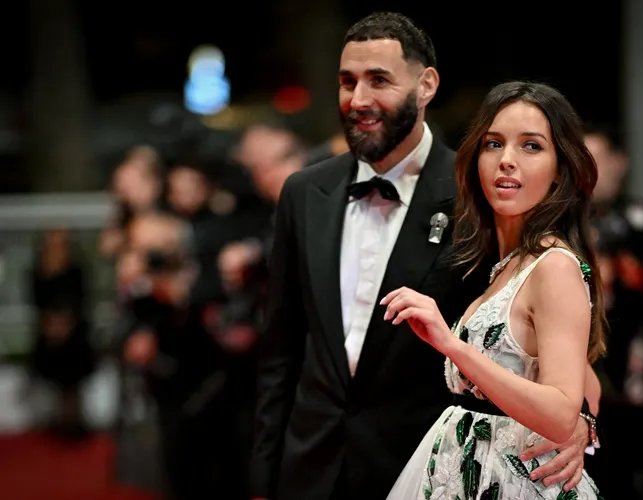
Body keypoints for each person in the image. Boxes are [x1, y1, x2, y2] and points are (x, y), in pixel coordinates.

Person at [250, 13, 598, 500]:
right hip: (309, 468)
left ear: (426, 84)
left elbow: (552, 343)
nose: (359, 99)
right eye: (347, 82)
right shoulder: (304, 192)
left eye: (379, 80)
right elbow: (280, 350)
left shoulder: (481, 195)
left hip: (427, 468)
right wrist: (264, 477)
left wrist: (579, 422)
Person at [383, 81, 606, 499]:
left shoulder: (553, 266)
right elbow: (584, 380)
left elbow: (561, 410)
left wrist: (452, 345)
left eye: (531, 146)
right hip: (465, 470)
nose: (507, 160)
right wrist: (586, 421)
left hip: (514, 481)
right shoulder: (506, 263)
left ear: (561, 170)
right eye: (493, 144)